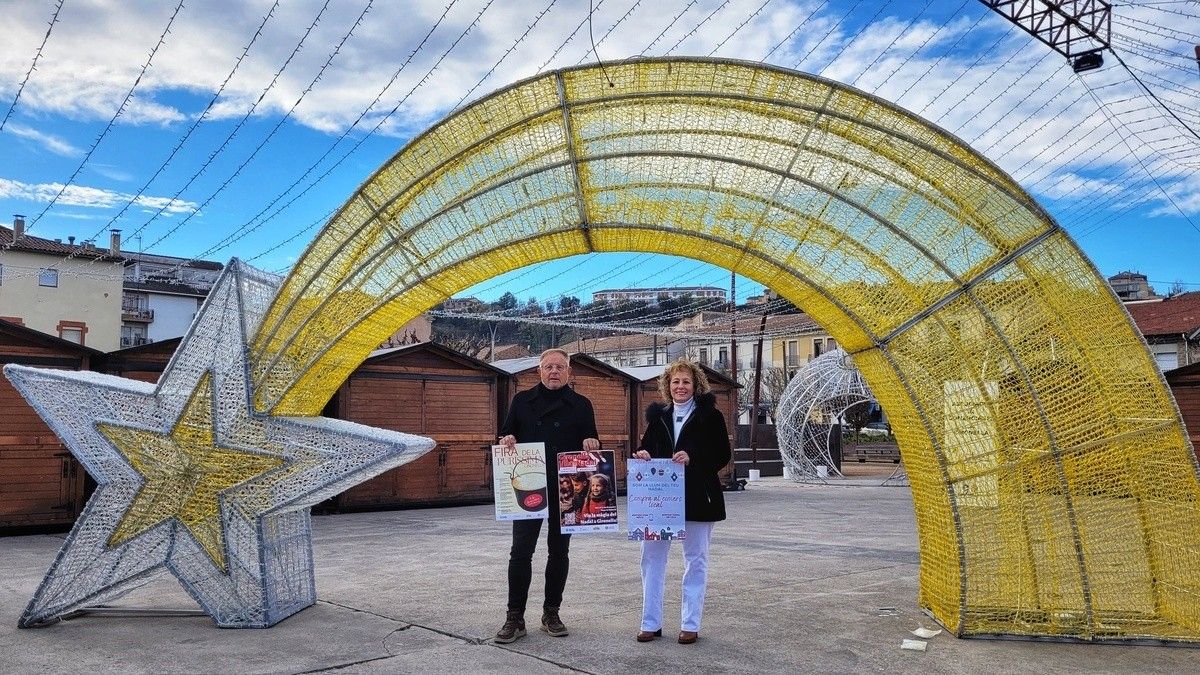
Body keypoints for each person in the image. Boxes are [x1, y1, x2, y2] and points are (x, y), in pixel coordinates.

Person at [495, 348, 600, 644]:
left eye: (560, 367)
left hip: (567, 489)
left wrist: (592, 441)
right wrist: (507, 439)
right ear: (539, 371)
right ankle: (514, 617)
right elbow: (504, 435)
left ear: (568, 372)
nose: (554, 371)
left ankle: (551, 613)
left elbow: (591, 441)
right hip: (529, 487)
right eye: (548, 367)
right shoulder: (521, 401)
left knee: (559, 552)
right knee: (520, 554)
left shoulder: (581, 405)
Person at [631, 358, 731, 645]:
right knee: (651, 559)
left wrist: (694, 458)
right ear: (667, 386)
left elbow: (722, 454)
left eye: (686, 381)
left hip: (699, 497)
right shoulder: (658, 416)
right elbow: (646, 448)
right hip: (659, 501)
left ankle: (690, 623)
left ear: (696, 384)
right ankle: (650, 622)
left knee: (695, 560)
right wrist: (642, 455)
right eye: (675, 381)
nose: (680, 386)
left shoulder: (710, 416)